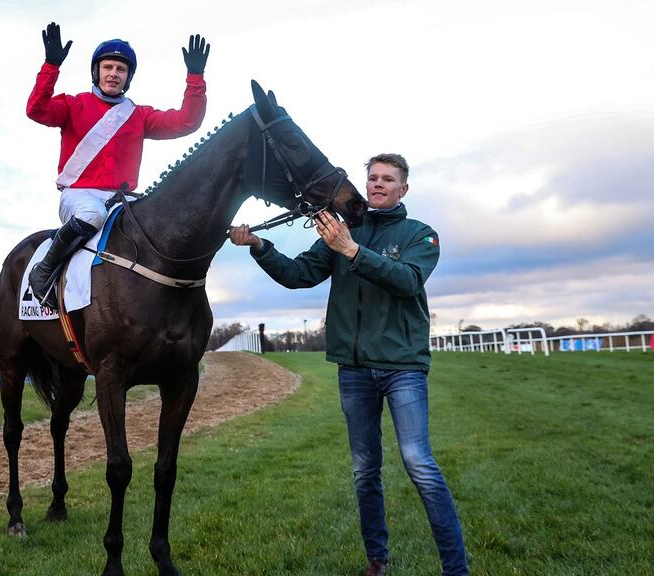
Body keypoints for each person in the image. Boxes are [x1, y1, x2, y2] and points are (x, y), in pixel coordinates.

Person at [230, 154, 468, 576]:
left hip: (402, 368)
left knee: (419, 463)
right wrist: (259, 247)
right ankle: (377, 560)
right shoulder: (342, 232)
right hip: (354, 370)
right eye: (372, 177)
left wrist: (352, 249)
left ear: (403, 189)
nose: (377, 184)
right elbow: (299, 273)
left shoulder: (420, 235)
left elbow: (407, 281)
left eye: (387, 179)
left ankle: (456, 569)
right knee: (364, 470)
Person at [26, 22, 210, 309]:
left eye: (120, 69)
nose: (113, 73)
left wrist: (195, 77)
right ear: (97, 71)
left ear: (128, 77)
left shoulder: (139, 115)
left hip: (121, 201)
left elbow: (187, 121)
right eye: (108, 67)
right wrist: (51, 65)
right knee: (92, 214)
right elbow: (36, 110)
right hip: (79, 197)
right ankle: (45, 270)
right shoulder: (74, 105)